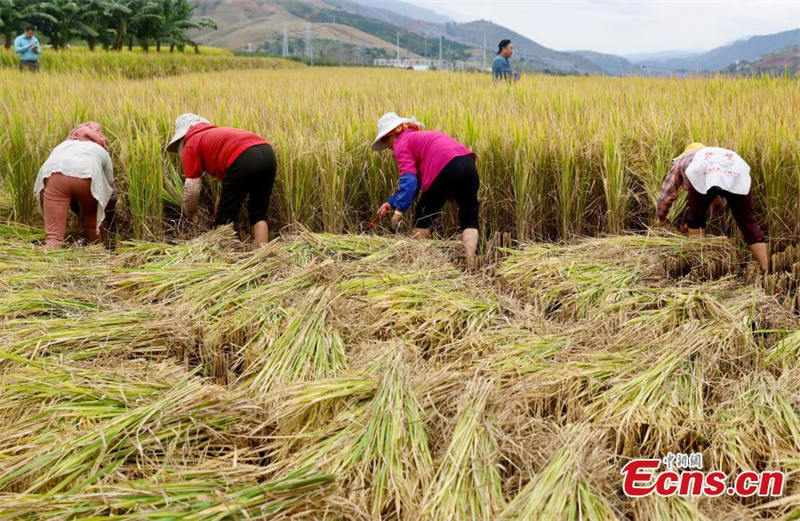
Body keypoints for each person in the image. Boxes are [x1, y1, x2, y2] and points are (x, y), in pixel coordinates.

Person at [371, 112, 480, 264]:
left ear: (392, 135)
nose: (388, 147)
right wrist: (392, 203)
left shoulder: (401, 143)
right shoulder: (419, 138)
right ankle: (470, 262)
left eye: (385, 140)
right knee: (469, 218)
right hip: (468, 164)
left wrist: (399, 211)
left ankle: (428, 266)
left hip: (445, 167)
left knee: (422, 219)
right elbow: (415, 183)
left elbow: (409, 182)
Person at [166, 114, 276, 245]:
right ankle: (263, 251)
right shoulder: (214, 135)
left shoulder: (191, 144)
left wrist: (188, 211)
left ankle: (225, 253)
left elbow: (192, 187)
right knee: (258, 213)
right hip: (268, 153)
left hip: (243, 158)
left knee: (225, 215)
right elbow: (228, 185)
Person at [657, 143, 768, 272]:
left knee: (696, 221)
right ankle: (766, 269)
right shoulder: (717, 155)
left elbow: (667, 195)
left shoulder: (684, 160)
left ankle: (698, 267)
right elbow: (718, 202)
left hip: (704, 170)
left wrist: (661, 219)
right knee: (748, 222)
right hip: (738, 169)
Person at [34, 122, 114, 249]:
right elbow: (109, 183)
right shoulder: (100, 150)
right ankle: (97, 246)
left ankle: (52, 245)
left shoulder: (62, 145)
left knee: (53, 237)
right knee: (92, 213)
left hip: (56, 176)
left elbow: (49, 163)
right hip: (87, 177)